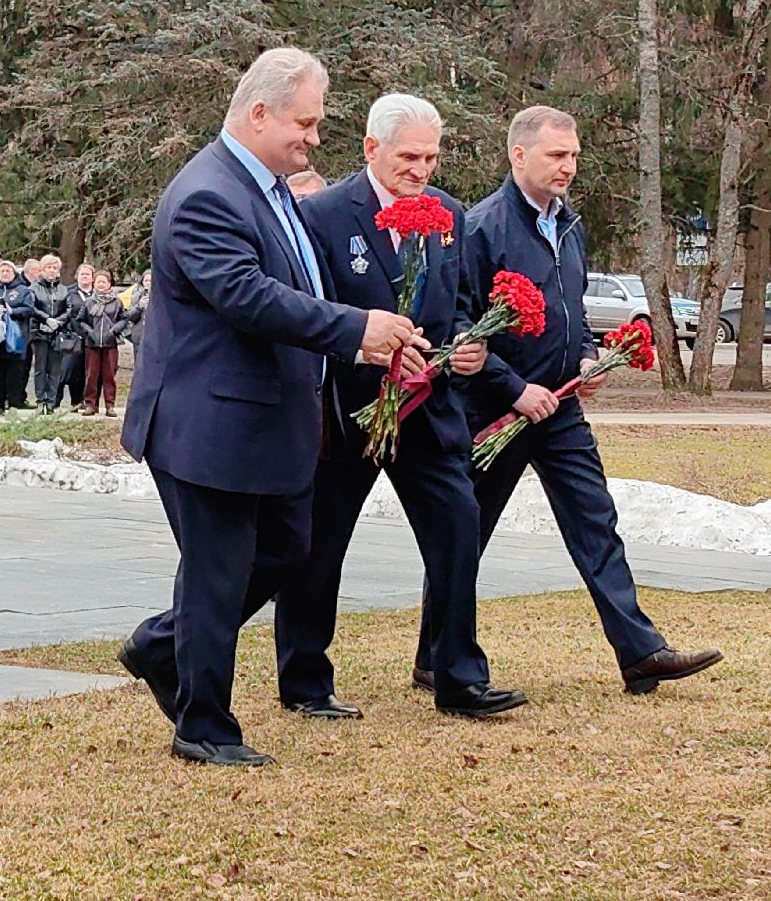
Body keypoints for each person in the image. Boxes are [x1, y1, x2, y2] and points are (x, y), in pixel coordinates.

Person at [115, 47, 418, 767]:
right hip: (208, 423)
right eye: (304, 123)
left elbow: (300, 290)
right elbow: (248, 298)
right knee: (219, 573)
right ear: (259, 114)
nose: (314, 138)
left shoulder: (273, 191)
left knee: (285, 551)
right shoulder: (207, 195)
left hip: (264, 421)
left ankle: (162, 647)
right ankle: (203, 726)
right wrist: (355, 331)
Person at [447, 105, 721, 696]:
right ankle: (437, 656)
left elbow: (572, 309)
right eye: (556, 155)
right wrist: (514, 390)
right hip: (498, 409)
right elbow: (461, 326)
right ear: (518, 155)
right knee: (463, 538)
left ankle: (641, 653)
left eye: (573, 156)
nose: (568, 166)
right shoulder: (482, 227)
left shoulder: (569, 225)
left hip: (563, 411)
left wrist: (589, 356)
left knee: (597, 521)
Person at [281, 93, 524, 721]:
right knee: (320, 543)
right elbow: (311, 315)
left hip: (430, 409)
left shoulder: (448, 214)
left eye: (430, 157)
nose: (421, 170)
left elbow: (462, 300)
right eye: (408, 156)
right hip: (351, 412)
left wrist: (469, 346)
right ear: (371, 149)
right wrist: (368, 353)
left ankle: (458, 676)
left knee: (457, 529)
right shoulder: (326, 216)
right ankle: (305, 679)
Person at [0, 260, 34, 416]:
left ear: (14, 273)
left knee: (15, 372)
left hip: (15, 337)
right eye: (1, 271)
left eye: (7, 271)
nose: (4, 273)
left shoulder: (23, 290)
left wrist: (12, 311)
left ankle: (14, 404)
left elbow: (29, 310)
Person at [74, 269, 129, 416]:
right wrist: (90, 332)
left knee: (109, 376)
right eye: (98, 282)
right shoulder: (88, 302)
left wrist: (114, 330)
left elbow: (124, 319)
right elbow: (80, 320)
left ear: (109, 284)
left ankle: (110, 405)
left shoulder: (116, 302)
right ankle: (91, 404)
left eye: (104, 282)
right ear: (94, 283)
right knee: (91, 375)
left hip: (110, 343)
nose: (101, 284)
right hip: (92, 344)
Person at [29, 254, 76, 413]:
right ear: (42, 270)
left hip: (58, 333)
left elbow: (69, 310)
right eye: (48, 267)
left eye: (54, 268)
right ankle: (40, 400)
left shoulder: (63, 289)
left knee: (55, 369)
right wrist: (46, 319)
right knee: (40, 368)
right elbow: (31, 307)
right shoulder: (34, 288)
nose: (51, 271)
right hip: (39, 332)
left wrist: (57, 322)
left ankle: (51, 402)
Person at [64, 263, 96, 406]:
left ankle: (90, 401)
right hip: (75, 335)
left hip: (94, 337)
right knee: (75, 370)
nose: (84, 277)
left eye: (87, 274)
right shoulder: (69, 292)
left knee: (91, 370)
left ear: (92, 277)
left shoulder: (98, 293)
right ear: (77, 276)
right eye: (82, 274)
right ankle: (76, 401)